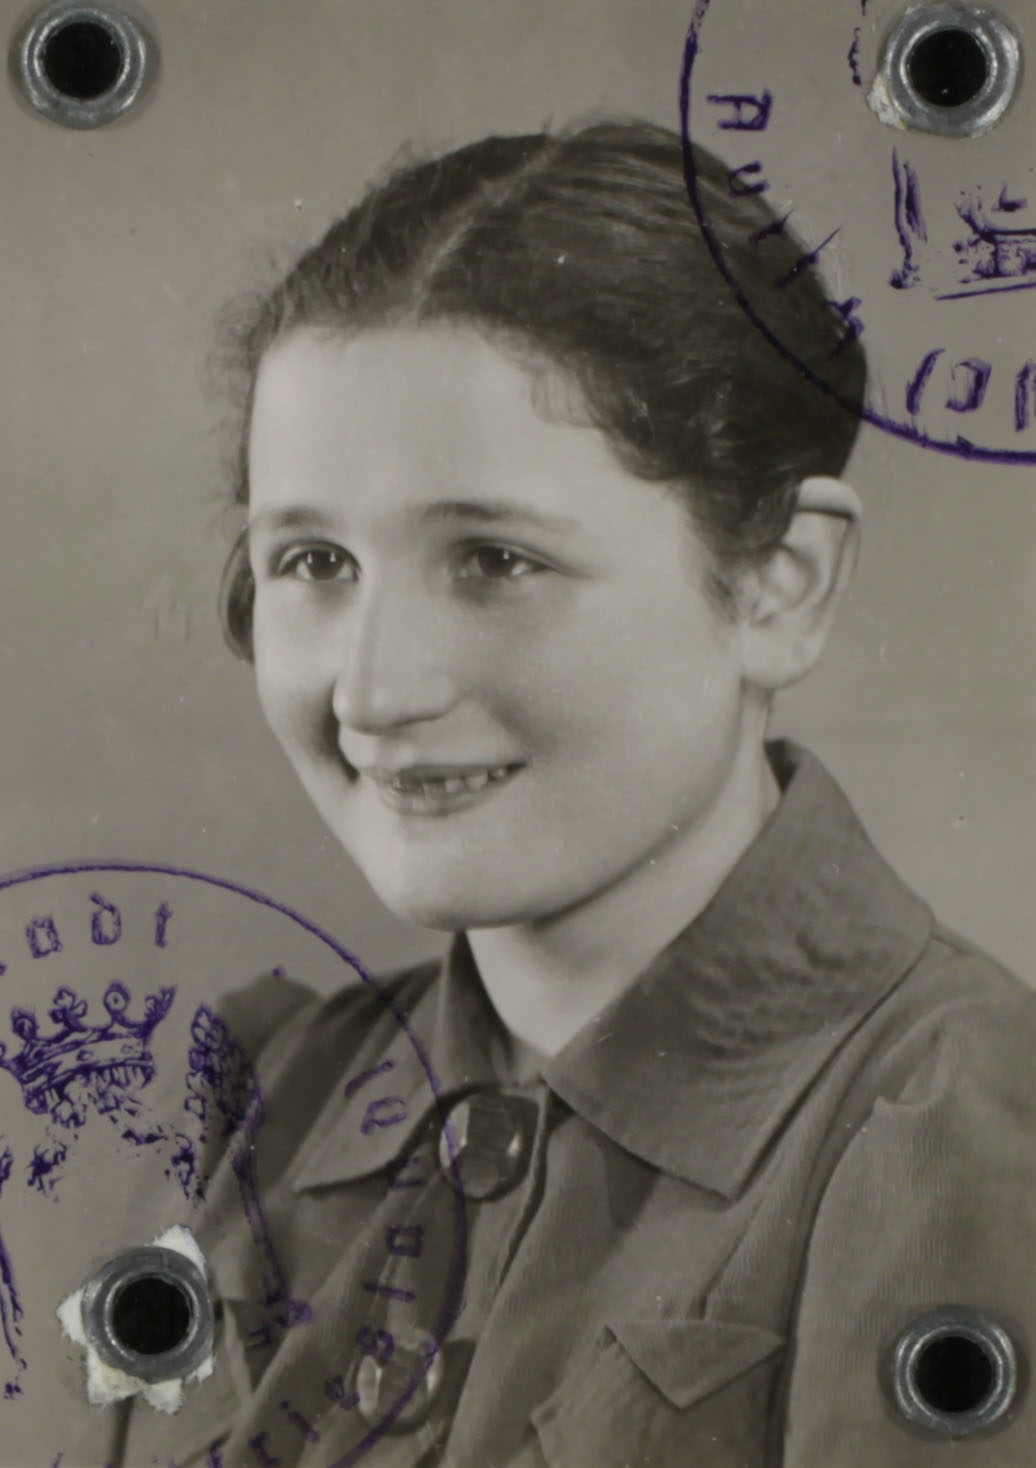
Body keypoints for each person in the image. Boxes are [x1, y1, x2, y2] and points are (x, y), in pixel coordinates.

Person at [120, 120, 1036, 1467]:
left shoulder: (953, 1133)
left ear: (780, 585)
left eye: (494, 560)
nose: (374, 690)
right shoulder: (287, 1089)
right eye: (313, 562)